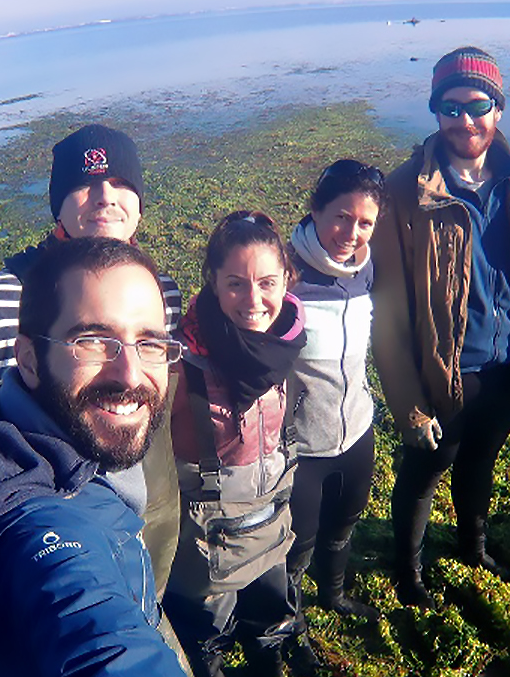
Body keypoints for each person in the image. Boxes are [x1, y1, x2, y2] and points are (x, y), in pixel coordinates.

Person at [0, 125, 188, 655]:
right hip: (40, 518)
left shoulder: (159, 290)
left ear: (140, 203)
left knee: (145, 593)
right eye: (86, 182)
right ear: (57, 205)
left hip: (140, 495)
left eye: (120, 182)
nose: (104, 197)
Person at [371, 46, 510, 609]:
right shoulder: (404, 192)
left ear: (499, 109)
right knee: (424, 473)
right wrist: (409, 406)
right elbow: (388, 315)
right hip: (442, 372)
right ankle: (409, 570)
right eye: (450, 108)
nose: (465, 121)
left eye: (478, 106)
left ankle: (473, 546)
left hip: (504, 367)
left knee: (481, 462)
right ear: (435, 111)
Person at [162, 211, 314, 677]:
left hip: (272, 516)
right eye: (236, 284)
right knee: (208, 621)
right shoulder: (179, 363)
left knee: (271, 594)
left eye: (268, 283)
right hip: (207, 541)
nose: (254, 300)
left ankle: (272, 638)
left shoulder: (288, 341)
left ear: (286, 279)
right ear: (211, 281)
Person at [283, 160, 384, 622]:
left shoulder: (366, 271)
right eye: (341, 216)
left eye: (365, 222)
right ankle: (293, 618)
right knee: (298, 541)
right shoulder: (284, 276)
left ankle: (335, 594)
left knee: (344, 523)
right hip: (303, 445)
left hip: (357, 430)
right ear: (315, 210)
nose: (352, 232)